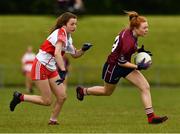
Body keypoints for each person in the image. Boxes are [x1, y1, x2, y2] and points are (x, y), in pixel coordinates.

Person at [76, 11, 168, 124]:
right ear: (136, 28)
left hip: (125, 64)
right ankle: (83, 91)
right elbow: (121, 61)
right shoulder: (128, 41)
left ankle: (151, 117)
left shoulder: (130, 32)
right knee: (107, 91)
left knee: (145, 86)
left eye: (147, 27)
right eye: (144, 28)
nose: (147, 30)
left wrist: (139, 50)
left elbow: (125, 48)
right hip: (113, 67)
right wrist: (138, 66)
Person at [9, 12, 92, 125]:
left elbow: (75, 54)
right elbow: (57, 53)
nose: (74, 26)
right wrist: (63, 70)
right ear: (64, 25)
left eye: (76, 24)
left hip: (51, 68)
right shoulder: (60, 33)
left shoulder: (68, 37)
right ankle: (20, 97)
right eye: (72, 24)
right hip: (40, 66)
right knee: (47, 101)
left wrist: (83, 50)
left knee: (62, 96)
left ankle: (53, 121)